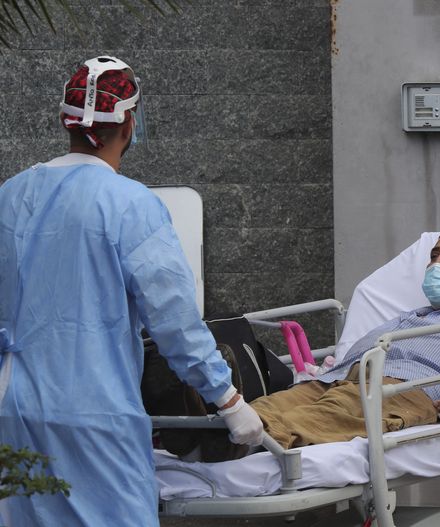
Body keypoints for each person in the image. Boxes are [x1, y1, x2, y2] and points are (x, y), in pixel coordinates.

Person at [0, 56, 263, 527]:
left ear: (67, 121)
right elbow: (174, 321)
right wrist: (227, 399)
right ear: (128, 121)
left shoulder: (11, 195)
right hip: (93, 412)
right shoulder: (131, 204)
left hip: (12, 412)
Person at [189, 227, 440, 459]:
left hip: (410, 391)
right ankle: (198, 426)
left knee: (331, 413)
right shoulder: (414, 315)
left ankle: (226, 442)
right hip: (337, 380)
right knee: (273, 402)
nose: (437, 262)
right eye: (434, 255)